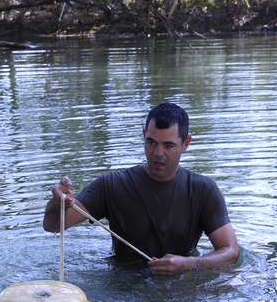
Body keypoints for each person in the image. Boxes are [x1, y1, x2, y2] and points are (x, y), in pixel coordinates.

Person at [43, 102, 239, 276]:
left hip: (181, 289)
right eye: (151, 142)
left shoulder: (203, 190)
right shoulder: (113, 185)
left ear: (186, 144)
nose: (158, 153)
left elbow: (230, 251)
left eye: (169, 145)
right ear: (143, 135)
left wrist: (189, 263)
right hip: (122, 289)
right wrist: (57, 203)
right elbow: (52, 225)